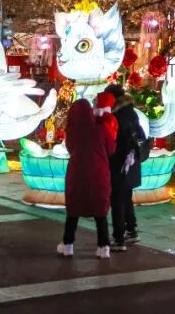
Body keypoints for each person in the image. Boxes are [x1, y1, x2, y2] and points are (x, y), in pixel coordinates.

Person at [57, 98, 116, 259]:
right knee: (100, 211)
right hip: (99, 174)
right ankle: (103, 247)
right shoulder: (100, 129)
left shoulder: (72, 132)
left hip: (77, 174)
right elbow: (111, 147)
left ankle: (68, 245)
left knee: (73, 211)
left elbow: (70, 149)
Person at [105, 83, 145, 250]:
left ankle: (118, 238)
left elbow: (112, 141)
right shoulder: (131, 112)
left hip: (119, 162)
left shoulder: (116, 116)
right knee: (126, 197)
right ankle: (131, 231)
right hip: (132, 161)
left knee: (117, 200)